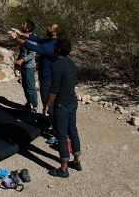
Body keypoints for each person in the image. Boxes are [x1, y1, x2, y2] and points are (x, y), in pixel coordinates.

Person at [46, 39, 82, 178]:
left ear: (58, 50)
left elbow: (54, 89)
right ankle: (77, 160)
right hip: (72, 101)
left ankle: (63, 168)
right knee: (73, 131)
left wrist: (48, 104)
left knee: (61, 135)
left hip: (62, 104)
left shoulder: (57, 66)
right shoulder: (71, 63)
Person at [10, 23, 59, 123]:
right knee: (48, 101)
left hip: (47, 77)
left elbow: (32, 47)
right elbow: (37, 38)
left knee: (47, 102)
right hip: (47, 76)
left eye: (50, 27)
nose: (47, 27)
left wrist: (16, 39)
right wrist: (20, 33)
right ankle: (50, 121)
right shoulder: (51, 41)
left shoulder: (50, 45)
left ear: (54, 32)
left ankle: (56, 129)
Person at [14, 20, 38, 112]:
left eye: (23, 24)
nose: (21, 25)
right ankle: (29, 103)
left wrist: (22, 60)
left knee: (30, 86)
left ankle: (34, 106)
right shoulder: (23, 37)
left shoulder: (33, 39)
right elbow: (22, 51)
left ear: (27, 28)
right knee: (24, 85)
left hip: (29, 67)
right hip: (23, 65)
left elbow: (32, 54)